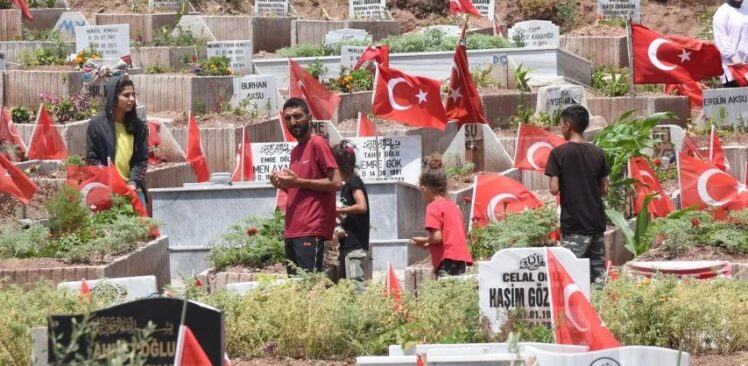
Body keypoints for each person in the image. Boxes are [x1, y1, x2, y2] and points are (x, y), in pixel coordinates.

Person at [271, 97, 342, 276]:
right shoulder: (295, 151)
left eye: (297, 116)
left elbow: (336, 182)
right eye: (288, 118)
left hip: (311, 229)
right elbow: (301, 189)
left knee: (309, 287)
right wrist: (282, 185)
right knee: (295, 290)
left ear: (309, 117)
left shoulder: (318, 143)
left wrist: (298, 182)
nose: (293, 122)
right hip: (292, 230)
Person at [544, 105, 610, 284]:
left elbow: (554, 189)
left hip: (574, 225)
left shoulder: (558, 154)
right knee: (597, 278)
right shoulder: (598, 152)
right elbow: (604, 188)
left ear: (568, 125)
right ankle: (597, 310)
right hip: (596, 224)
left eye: (560, 124)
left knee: (566, 275)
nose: (560, 128)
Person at [86, 76, 148, 205]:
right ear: (114, 98)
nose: (132, 99)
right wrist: (111, 180)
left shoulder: (139, 126)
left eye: (133, 95)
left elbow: (141, 160)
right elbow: (92, 160)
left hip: (133, 190)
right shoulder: (96, 126)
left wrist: (132, 183)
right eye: (126, 95)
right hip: (107, 191)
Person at [410, 154, 473, 278]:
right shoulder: (453, 206)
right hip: (460, 260)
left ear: (424, 189)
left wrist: (424, 240)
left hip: (446, 261)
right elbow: (451, 235)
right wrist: (430, 243)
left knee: (445, 293)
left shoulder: (433, 207)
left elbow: (437, 237)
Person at [332, 140, 369, 288]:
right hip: (347, 245)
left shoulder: (354, 182)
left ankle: (363, 310)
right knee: (346, 287)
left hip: (355, 245)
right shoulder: (345, 184)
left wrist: (339, 210)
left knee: (356, 285)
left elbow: (361, 206)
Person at [713, 0, 748, 87]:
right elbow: (721, 38)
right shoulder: (722, 12)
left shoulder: (746, 11)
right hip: (732, 68)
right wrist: (733, 57)